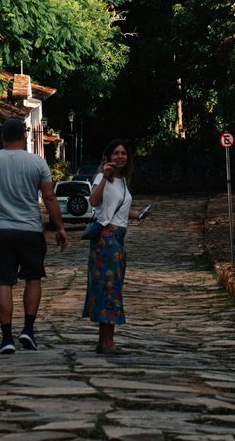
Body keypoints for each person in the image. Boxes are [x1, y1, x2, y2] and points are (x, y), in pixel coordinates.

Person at [0, 118, 68, 354]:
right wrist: (60, 227)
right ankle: (28, 330)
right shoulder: (38, 163)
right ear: (24, 136)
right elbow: (49, 197)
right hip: (30, 230)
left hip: (1, 229)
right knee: (33, 278)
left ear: (2, 137)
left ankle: (6, 338)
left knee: (3, 283)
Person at [82, 138, 147, 354]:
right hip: (106, 239)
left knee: (111, 288)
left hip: (118, 237)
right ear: (108, 157)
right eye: (116, 153)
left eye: (124, 153)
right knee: (109, 289)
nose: (120, 156)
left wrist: (136, 215)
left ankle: (104, 341)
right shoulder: (104, 177)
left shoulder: (123, 181)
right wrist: (104, 178)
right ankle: (108, 342)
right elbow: (94, 201)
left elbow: (116, 208)